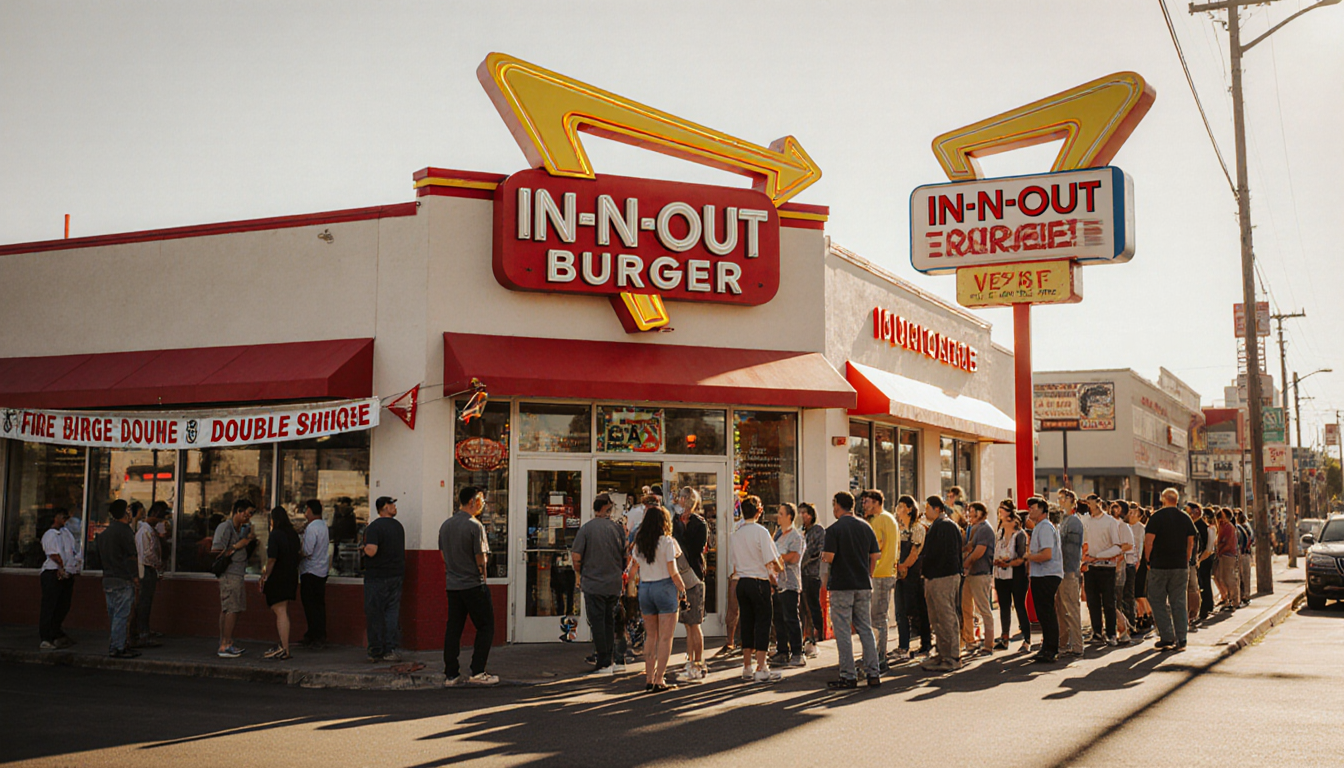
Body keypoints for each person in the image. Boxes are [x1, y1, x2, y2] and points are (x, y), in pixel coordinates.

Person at [440, 486, 499, 686]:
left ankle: (451, 673)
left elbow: (442, 556)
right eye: (481, 500)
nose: (482, 505)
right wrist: (483, 577)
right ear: (473, 501)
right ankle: (478, 670)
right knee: (486, 626)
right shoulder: (475, 526)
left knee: (454, 627)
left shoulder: (446, 525)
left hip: (453, 584)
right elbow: (480, 558)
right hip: (473, 584)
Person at [823, 491, 881, 688]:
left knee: (843, 630)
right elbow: (875, 555)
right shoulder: (866, 527)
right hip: (863, 583)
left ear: (838, 505)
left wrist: (823, 557)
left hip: (842, 584)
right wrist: (869, 574)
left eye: (834, 505)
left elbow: (829, 557)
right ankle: (874, 671)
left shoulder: (833, 530)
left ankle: (848, 674)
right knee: (865, 627)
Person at [630, 505, 687, 693]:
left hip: (645, 588)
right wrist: (682, 588)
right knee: (665, 637)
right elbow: (673, 571)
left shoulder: (640, 542)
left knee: (651, 636)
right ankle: (659, 679)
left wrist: (630, 587)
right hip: (664, 587)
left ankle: (648, 677)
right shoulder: (667, 542)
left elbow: (633, 571)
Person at [730, 496, 785, 684]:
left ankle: (747, 666)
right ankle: (761, 667)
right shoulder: (761, 531)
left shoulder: (736, 533)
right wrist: (779, 568)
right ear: (759, 511)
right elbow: (771, 560)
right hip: (758, 581)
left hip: (742, 581)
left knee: (746, 622)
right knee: (763, 622)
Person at [572, 492, 627, 677]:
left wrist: (579, 573)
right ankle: (614, 659)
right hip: (613, 582)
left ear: (596, 508)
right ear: (607, 508)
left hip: (593, 583)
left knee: (597, 623)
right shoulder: (617, 529)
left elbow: (576, 557)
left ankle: (604, 662)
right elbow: (625, 556)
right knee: (610, 622)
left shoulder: (586, 529)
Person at [1144, 488, 1197, 651]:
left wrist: (1148, 559)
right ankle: (1182, 638)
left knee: (1157, 599)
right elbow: (1190, 542)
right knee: (1179, 601)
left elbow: (1149, 541)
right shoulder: (1185, 518)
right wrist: (1186, 559)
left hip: (1160, 564)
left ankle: (1167, 635)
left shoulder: (1156, 517)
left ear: (1163, 499)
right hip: (1180, 565)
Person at [920, 495, 963, 672]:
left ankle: (952, 657)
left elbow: (945, 554)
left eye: (927, 507)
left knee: (946, 617)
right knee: (936, 618)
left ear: (936, 508)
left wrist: (932, 570)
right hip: (935, 576)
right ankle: (942, 653)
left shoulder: (946, 525)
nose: (924, 511)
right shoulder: (938, 525)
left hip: (944, 577)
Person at [363, 496, 406, 663]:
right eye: (391, 504)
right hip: (396, 575)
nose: (394, 507)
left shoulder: (374, 527)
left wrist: (363, 548)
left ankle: (375, 650)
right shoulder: (398, 527)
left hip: (377, 577)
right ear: (383, 507)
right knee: (391, 613)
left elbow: (372, 551)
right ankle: (390, 649)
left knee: (374, 613)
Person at [672, 486, 709, 680]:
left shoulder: (699, 523)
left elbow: (696, 549)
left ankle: (699, 662)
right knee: (687, 623)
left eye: (682, 498)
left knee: (694, 623)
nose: (679, 501)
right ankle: (690, 662)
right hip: (680, 576)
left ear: (687, 500)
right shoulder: (676, 521)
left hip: (693, 575)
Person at [860, 489, 899, 670]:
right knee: (878, 617)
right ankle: (877, 655)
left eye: (867, 502)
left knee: (878, 618)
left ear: (876, 502)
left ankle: (880, 657)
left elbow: (876, 546)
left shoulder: (880, 519)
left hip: (879, 573)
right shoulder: (888, 518)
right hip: (885, 572)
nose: (864, 505)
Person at [212, 499, 256, 659]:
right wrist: (238, 545)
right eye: (248, 513)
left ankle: (226, 641)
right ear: (239, 511)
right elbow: (216, 551)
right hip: (229, 574)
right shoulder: (225, 527)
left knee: (231, 608)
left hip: (237, 572)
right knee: (231, 608)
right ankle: (225, 644)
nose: (249, 517)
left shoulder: (239, 529)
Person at [97, 500, 140, 659]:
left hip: (108, 578)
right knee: (122, 615)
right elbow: (131, 556)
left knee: (114, 614)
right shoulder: (125, 531)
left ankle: (116, 644)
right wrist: (135, 577)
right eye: (128, 510)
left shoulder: (105, 534)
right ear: (124, 513)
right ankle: (118, 647)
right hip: (122, 578)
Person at [1080, 494, 1123, 646]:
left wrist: (1098, 556)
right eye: (1088, 504)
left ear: (1100, 503)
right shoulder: (1085, 521)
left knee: (1109, 602)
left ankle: (1111, 633)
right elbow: (1083, 542)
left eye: (1093, 503)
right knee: (1092, 602)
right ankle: (1097, 632)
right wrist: (1085, 558)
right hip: (1090, 567)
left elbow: (1117, 546)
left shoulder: (1110, 522)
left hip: (1106, 566)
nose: (1091, 507)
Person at [259, 506, 301, 661]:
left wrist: (265, 576)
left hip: (278, 575)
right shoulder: (293, 534)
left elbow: (272, 559)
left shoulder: (275, 535)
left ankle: (284, 648)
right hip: (291, 574)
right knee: (282, 610)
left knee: (280, 610)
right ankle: (284, 647)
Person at [1024, 496, 1063, 664]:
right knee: (1042, 612)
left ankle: (1051, 649)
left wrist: (1029, 557)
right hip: (1040, 574)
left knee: (1046, 612)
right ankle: (1046, 647)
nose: (1030, 510)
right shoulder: (1039, 527)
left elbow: (1047, 554)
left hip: (1047, 574)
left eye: (1033, 507)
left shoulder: (1045, 527)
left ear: (1042, 510)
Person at [38, 508, 81, 650]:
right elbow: (54, 555)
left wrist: (73, 567)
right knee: (50, 605)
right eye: (62, 516)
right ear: (55, 518)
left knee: (63, 604)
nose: (65, 519)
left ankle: (56, 630)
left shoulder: (65, 533)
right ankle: (46, 636)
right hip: (53, 572)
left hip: (66, 572)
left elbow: (73, 550)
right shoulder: (50, 535)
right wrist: (61, 568)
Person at [771, 503, 807, 668]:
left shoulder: (796, 536)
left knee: (791, 617)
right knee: (778, 618)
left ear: (789, 517)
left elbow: (794, 557)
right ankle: (782, 650)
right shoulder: (778, 535)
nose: (778, 517)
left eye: (780, 514)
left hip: (790, 583)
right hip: (777, 582)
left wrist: (779, 558)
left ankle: (798, 652)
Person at [992, 500, 1030, 653]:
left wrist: (1009, 563)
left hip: (1017, 575)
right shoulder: (999, 533)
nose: (1002, 517)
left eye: (1003, 512)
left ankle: (1027, 640)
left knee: (1020, 606)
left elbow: (1022, 558)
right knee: (1004, 606)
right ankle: (1004, 637)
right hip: (1001, 574)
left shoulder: (1019, 535)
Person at [895, 495, 930, 658]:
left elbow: (915, 551)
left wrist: (904, 566)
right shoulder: (898, 528)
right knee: (900, 610)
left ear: (910, 509)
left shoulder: (918, 528)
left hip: (914, 573)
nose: (898, 510)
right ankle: (903, 645)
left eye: (901, 506)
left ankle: (926, 643)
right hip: (899, 573)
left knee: (917, 609)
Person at [962, 501, 996, 656]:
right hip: (972, 574)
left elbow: (979, 551)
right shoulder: (975, 528)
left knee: (983, 609)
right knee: (966, 606)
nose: (969, 515)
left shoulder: (984, 529)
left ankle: (989, 644)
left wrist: (966, 563)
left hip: (981, 573)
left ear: (980, 513)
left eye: (972, 512)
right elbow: (970, 546)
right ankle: (970, 640)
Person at [133, 501, 168, 648]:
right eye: (159, 519)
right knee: (143, 603)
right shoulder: (144, 532)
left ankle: (144, 630)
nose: (160, 523)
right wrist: (157, 563)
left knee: (147, 601)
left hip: (151, 569)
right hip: (145, 568)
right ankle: (141, 633)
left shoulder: (151, 531)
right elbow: (146, 554)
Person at [1055, 489, 1086, 657]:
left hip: (1069, 571)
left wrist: (1071, 571)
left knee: (1071, 608)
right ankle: (1064, 642)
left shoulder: (1073, 522)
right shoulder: (1063, 521)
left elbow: (1072, 550)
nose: (1059, 501)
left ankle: (1077, 645)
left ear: (1070, 500)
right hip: (1062, 571)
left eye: (1062, 498)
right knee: (1061, 609)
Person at [297, 499, 330, 649]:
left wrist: (297, 553)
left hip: (310, 570)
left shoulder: (312, 528)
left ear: (309, 510)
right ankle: (318, 635)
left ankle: (314, 635)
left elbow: (307, 551)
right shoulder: (323, 525)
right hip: (321, 570)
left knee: (310, 606)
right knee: (319, 605)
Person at [799, 502, 826, 658]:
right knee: (802, 606)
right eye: (801, 513)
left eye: (806, 513)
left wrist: (806, 561)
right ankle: (806, 634)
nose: (803, 516)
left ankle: (817, 633)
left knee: (813, 604)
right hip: (800, 574)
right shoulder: (802, 531)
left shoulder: (818, 530)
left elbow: (819, 551)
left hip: (812, 573)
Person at [1111, 501, 1135, 644]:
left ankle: (1125, 630)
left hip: (1119, 567)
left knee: (1118, 600)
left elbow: (1128, 545)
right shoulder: (1110, 524)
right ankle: (1118, 629)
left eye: (1116, 507)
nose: (1113, 509)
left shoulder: (1123, 526)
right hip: (1108, 566)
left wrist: (1115, 556)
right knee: (1111, 600)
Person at [1127, 503, 1151, 638]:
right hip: (1131, 562)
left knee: (1140, 592)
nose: (1131, 516)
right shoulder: (1127, 527)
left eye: (1134, 514)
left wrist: (1138, 562)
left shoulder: (1141, 528)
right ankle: (1140, 615)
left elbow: (1141, 546)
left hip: (1140, 563)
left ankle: (1147, 615)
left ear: (1140, 516)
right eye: (1130, 513)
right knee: (1135, 593)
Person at [1215, 508, 1241, 611]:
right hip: (1223, 554)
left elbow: (1228, 542)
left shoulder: (1229, 527)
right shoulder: (1223, 526)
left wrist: (1221, 549)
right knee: (1222, 577)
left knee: (1229, 578)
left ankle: (1234, 600)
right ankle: (1228, 599)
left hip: (1228, 554)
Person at [1235, 510, 1253, 605]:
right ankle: (1245, 594)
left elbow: (1247, 541)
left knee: (1243, 575)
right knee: (1245, 575)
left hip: (1243, 553)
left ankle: (1245, 595)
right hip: (1246, 554)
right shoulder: (1247, 527)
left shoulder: (1243, 528)